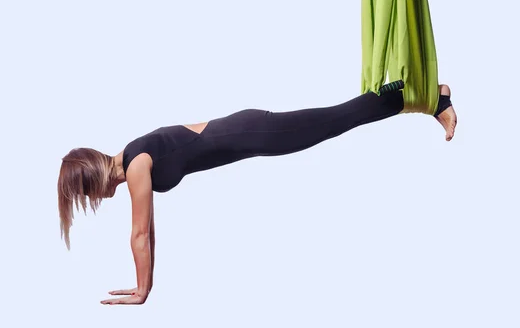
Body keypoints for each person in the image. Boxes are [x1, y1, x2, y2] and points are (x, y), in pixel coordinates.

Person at [57, 80, 457, 305]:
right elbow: (150, 233)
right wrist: (146, 285)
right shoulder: (134, 159)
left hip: (252, 132)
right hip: (247, 132)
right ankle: (411, 91)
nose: (92, 201)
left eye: (85, 195)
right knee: (336, 120)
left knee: (337, 120)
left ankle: (429, 94)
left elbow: (140, 235)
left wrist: (142, 291)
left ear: (92, 180)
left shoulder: (137, 162)